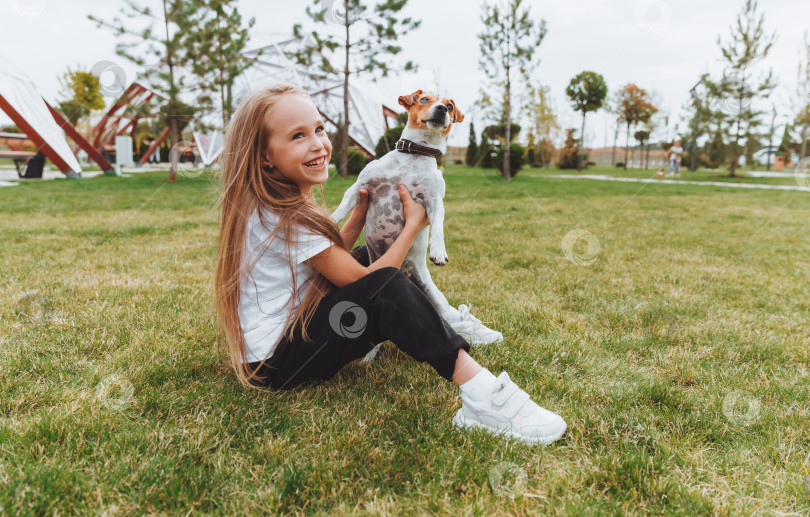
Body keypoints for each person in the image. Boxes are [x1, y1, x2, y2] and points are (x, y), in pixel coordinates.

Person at [214, 83, 567, 445]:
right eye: (297, 136)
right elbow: (374, 280)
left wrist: (359, 215)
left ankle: (428, 321)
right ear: (264, 156)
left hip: (278, 346)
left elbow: (327, 258)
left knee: (374, 257)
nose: (318, 143)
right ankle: (482, 393)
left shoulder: (273, 203)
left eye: (319, 129)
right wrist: (413, 225)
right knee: (387, 283)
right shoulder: (285, 216)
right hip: (277, 365)